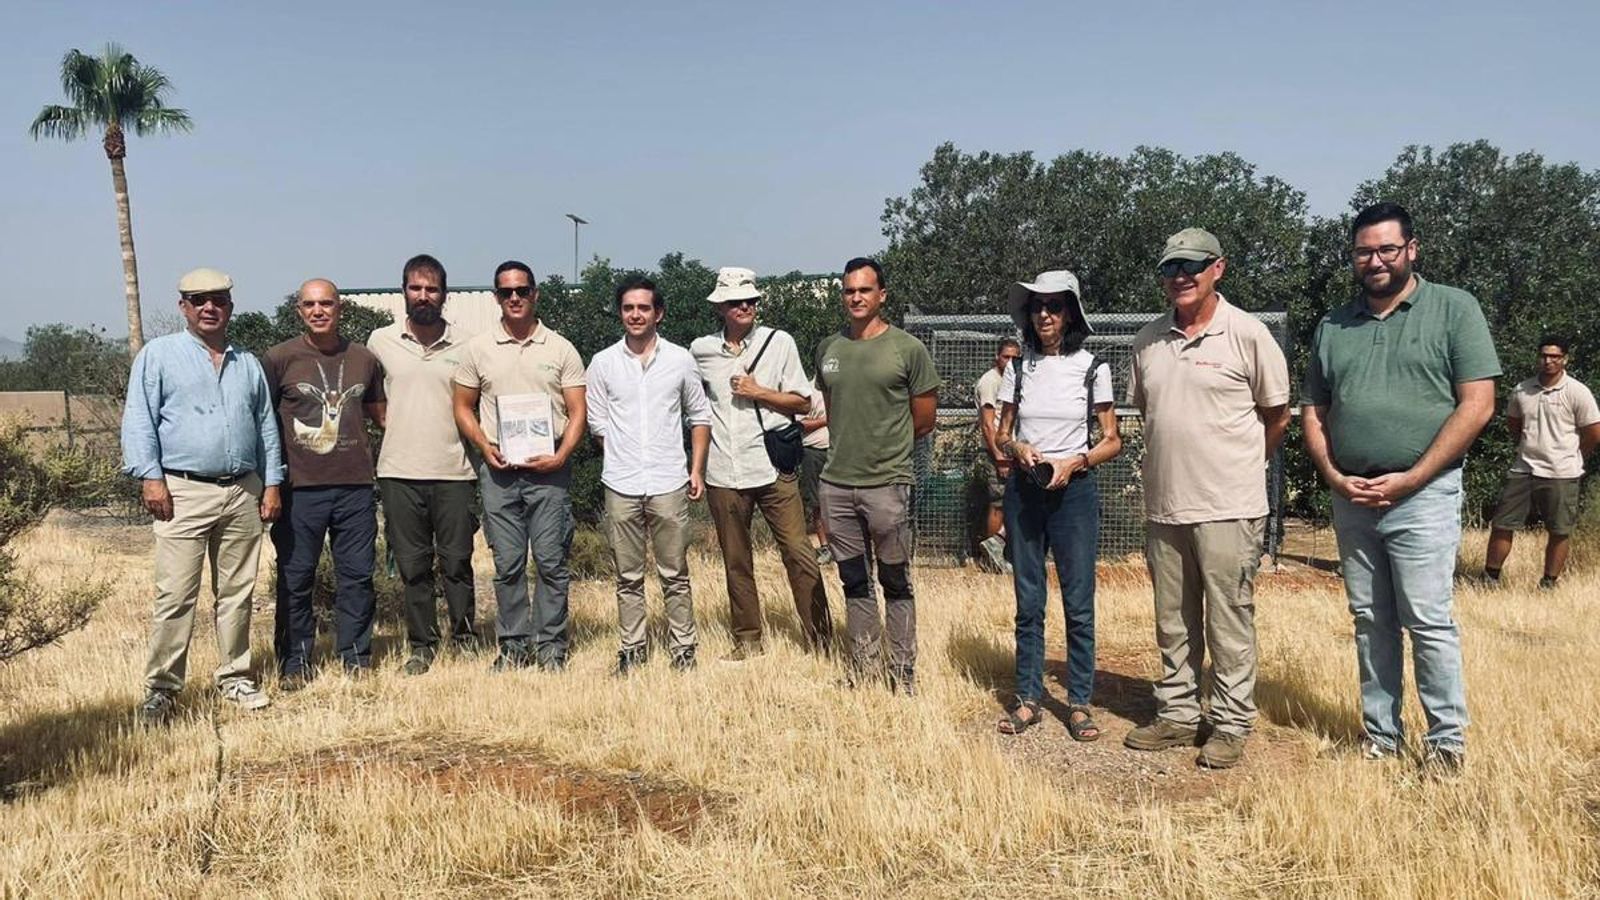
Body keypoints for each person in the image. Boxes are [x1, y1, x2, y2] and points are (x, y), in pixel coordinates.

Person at [1303, 203, 1500, 773]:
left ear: (1412, 249)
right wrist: (1335, 477)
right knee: (1370, 620)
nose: (1376, 260)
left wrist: (1413, 477)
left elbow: (1478, 404)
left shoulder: (1454, 309)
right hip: (1353, 496)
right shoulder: (1333, 325)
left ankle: (1446, 743)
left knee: (1428, 620)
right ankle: (1381, 738)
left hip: (1424, 494)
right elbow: (1315, 408)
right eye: (1365, 251)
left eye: (1388, 249)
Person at [1124, 228, 1291, 770]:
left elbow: (1277, 415)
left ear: (1218, 268)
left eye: (1193, 265)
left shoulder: (1248, 334)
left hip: (1230, 506)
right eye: (1171, 266)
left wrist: (1242, 465)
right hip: (1166, 506)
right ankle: (1176, 714)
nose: (1181, 275)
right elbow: (1151, 413)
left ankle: (1230, 722)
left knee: (1229, 619)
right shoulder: (1147, 340)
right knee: (1172, 620)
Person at [121, 267, 283, 723]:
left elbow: (266, 427)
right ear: (183, 307)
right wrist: (151, 478)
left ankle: (234, 676)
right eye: (198, 300)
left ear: (231, 306)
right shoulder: (159, 356)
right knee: (175, 595)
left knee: (236, 592)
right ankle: (163, 690)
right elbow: (139, 420)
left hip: (242, 491)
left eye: (218, 299)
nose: (209, 307)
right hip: (183, 490)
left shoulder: (247, 363)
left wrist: (272, 483)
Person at [993, 270, 1121, 740]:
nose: (1044, 314)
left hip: (1075, 494)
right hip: (1026, 491)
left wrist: (1076, 461)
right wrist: (1018, 449)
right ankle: (1028, 698)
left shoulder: (1092, 368)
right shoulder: (1018, 367)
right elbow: (1002, 434)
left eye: (1054, 306)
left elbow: (1113, 440)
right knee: (1029, 602)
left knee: (1078, 602)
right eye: (1037, 306)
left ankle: (1080, 702)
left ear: (1071, 314)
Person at [691, 267, 833, 658]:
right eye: (736, 301)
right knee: (736, 561)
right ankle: (747, 640)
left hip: (773, 467)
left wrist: (760, 392)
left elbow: (803, 403)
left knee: (799, 554)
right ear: (720, 306)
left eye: (751, 300)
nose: (745, 307)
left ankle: (821, 640)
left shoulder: (779, 342)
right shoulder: (700, 351)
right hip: (723, 470)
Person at [453, 261, 587, 672]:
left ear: (535, 294)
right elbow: (462, 406)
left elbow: (578, 410)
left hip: (550, 473)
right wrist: (483, 445)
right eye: (507, 292)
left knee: (550, 562)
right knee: (507, 565)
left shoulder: (560, 348)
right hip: (499, 474)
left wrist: (563, 454)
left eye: (522, 290)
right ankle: (513, 647)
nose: (515, 298)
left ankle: (550, 648)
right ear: (496, 297)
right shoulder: (478, 349)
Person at [814, 257, 941, 694]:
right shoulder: (828, 349)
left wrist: (890, 460)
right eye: (849, 291)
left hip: (887, 484)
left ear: (881, 295)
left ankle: (902, 673)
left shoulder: (907, 349)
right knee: (853, 581)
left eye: (865, 290)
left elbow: (923, 420)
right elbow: (833, 414)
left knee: (895, 580)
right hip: (837, 485)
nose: (856, 298)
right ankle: (863, 670)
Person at [586, 275, 712, 674]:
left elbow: (700, 416)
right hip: (621, 484)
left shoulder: (680, 360)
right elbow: (598, 424)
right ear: (620, 313)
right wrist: (624, 458)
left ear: (659, 313)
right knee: (627, 576)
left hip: (668, 481)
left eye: (643, 308)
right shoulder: (603, 363)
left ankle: (683, 648)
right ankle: (633, 648)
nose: (635, 315)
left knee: (675, 573)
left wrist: (696, 470)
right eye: (628, 308)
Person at [264, 280, 386, 684]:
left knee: (357, 576)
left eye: (327, 304)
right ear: (299, 310)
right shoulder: (279, 359)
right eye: (310, 304)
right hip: (299, 490)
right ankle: (295, 662)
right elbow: (262, 421)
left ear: (340, 308)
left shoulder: (364, 360)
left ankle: (355, 658)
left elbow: (379, 414)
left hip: (354, 488)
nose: (319, 311)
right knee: (296, 577)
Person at [367, 254, 481, 676]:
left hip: (454, 471)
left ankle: (465, 638)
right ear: (403, 292)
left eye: (431, 289)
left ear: (444, 295)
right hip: (399, 471)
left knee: (456, 562)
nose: (423, 296)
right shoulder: (380, 342)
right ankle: (422, 645)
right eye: (416, 288)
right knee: (413, 566)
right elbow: (373, 402)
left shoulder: (469, 344)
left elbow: (478, 406)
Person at [1482, 335, 1599, 590]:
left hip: (1562, 471)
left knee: (1559, 530)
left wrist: (1576, 456)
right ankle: (1490, 578)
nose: (1548, 361)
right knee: (1502, 524)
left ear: (1564, 359)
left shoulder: (1577, 392)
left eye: (1555, 356)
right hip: (1524, 468)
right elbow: (1514, 424)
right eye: (1544, 355)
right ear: (1538, 357)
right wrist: (1526, 446)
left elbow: (1593, 431)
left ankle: (1549, 582)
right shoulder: (1522, 390)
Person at [975, 338, 1023, 571]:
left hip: (1016, 451)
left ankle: (1008, 552)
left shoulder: (1014, 381)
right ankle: (992, 556)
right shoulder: (990, 381)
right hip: (998, 453)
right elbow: (987, 425)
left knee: (1016, 502)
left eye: (1015, 357)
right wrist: (999, 457)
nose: (1011, 361)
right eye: (1006, 356)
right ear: (997, 357)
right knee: (998, 504)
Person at [799, 392, 831, 564]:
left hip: (838, 451)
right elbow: (799, 425)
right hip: (813, 452)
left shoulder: (841, 388)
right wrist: (826, 420)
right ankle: (825, 546)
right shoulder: (807, 392)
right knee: (817, 502)